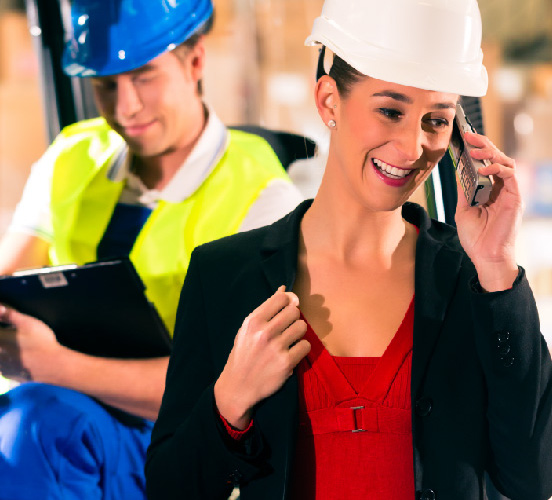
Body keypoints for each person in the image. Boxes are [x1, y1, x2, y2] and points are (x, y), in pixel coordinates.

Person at [145, 0, 552, 499]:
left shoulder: (476, 283)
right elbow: (170, 488)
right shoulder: (224, 276)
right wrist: (229, 402)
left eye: (436, 121)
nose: (411, 147)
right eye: (390, 111)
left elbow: (533, 477)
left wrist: (495, 267)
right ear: (329, 101)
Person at [0, 0, 307, 498]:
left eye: (143, 77)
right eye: (106, 85)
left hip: (170, 444)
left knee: (36, 425)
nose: (125, 108)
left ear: (196, 62)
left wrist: (53, 366)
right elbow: (11, 273)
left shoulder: (263, 202)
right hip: (65, 418)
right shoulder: (72, 157)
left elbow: (229, 388)